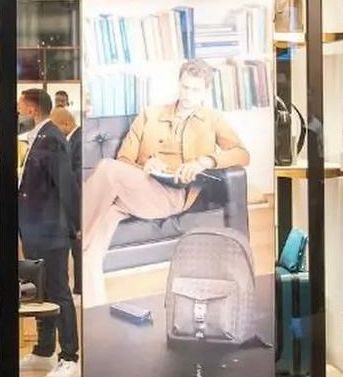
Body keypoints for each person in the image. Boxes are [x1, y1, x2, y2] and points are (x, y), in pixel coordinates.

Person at [81, 60, 249, 307]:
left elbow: (242, 154)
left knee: (105, 168)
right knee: (93, 247)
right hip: (138, 188)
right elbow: (124, 159)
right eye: (184, 87)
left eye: (195, 89)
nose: (188, 95)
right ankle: (94, 306)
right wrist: (147, 165)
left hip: (173, 196)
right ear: (178, 84)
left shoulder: (213, 119)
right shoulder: (150, 114)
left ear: (205, 91)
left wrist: (205, 161)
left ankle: (74, 237)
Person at [16, 90, 80, 377]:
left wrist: (75, 224)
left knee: (58, 291)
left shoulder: (52, 137)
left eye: (20, 108)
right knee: (40, 291)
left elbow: (65, 184)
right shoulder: (38, 136)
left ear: (31, 110)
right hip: (35, 228)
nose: (18, 113)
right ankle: (44, 350)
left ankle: (69, 356)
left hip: (50, 229)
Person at [49, 105, 83, 295]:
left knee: (77, 247)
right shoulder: (72, 140)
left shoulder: (78, 141)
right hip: (72, 202)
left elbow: (77, 176)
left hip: (77, 202)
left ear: (67, 123)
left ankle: (80, 287)